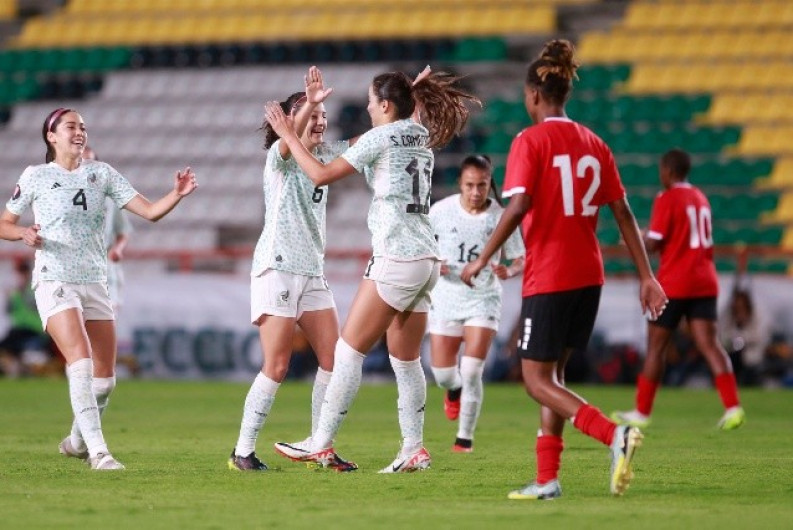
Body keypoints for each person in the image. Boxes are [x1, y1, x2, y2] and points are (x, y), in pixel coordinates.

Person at [460, 40, 668, 500]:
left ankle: (614, 435)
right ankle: (548, 479)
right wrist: (647, 276)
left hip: (550, 274)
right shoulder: (595, 143)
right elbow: (625, 214)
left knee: (534, 378)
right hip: (588, 275)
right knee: (555, 377)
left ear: (534, 94)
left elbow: (517, 207)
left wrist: (481, 257)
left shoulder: (529, 141)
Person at [268, 66, 479, 472]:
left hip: (397, 257)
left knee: (348, 351)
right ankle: (413, 447)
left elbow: (321, 173)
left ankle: (321, 440)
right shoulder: (419, 135)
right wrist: (409, 92)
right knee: (405, 359)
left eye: (370, 101)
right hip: (427, 259)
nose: (366, 107)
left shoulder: (382, 136)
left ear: (385, 105)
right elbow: (410, 114)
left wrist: (288, 134)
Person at [0, 107, 198, 470]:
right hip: (54, 278)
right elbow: (4, 223)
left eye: (83, 127)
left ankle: (76, 441)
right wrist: (23, 233)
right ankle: (99, 453)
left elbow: (151, 212)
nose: (80, 132)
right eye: (71, 126)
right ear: (51, 136)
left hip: (94, 281)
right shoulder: (36, 176)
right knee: (81, 361)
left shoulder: (102, 173)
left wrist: (177, 194)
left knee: (105, 380)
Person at [228, 66, 347, 471]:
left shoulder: (327, 156)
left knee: (336, 361)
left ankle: (319, 445)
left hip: (312, 271)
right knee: (277, 366)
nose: (320, 120)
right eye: (311, 115)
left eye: (322, 115)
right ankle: (242, 450)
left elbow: (369, 143)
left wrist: (403, 107)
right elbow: (287, 142)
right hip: (276, 268)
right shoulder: (277, 159)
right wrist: (308, 105)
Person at [612, 149, 746, 431]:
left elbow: (654, 242)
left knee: (656, 347)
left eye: (662, 170)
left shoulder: (667, 198)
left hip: (674, 282)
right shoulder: (700, 197)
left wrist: (635, 239)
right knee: (710, 344)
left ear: (669, 171)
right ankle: (733, 407)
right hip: (705, 280)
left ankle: (642, 411)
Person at [427, 154, 524, 453]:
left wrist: (510, 270)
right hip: (446, 295)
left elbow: (520, 256)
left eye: (482, 185)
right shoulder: (440, 211)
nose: (475, 192)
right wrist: (433, 263)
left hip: (484, 296)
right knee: (444, 375)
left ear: (489, 184)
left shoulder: (500, 216)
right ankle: (452, 390)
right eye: (470, 185)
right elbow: (422, 245)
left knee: (471, 370)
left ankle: (464, 438)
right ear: (460, 183)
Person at [83, 146, 134, 312]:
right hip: (74, 273)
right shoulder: (61, 196)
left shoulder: (110, 197)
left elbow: (123, 230)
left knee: (104, 325)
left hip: (104, 269)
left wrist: (118, 249)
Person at [0, 260, 52, 377]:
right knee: (7, 346)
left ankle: (22, 368)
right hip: (19, 328)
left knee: (10, 345)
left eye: (23, 272)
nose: (21, 276)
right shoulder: (15, 291)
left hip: (34, 328)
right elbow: (9, 311)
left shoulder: (35, 289)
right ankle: (18, 368)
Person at [718, 287, 769, 386]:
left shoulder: (757, 315)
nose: (739, 308)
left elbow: (758, 336)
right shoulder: (728, 316)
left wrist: (740, 339)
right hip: (731, 354)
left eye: (742, 306)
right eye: (736, 306)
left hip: (752, 355)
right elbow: (722, 335)